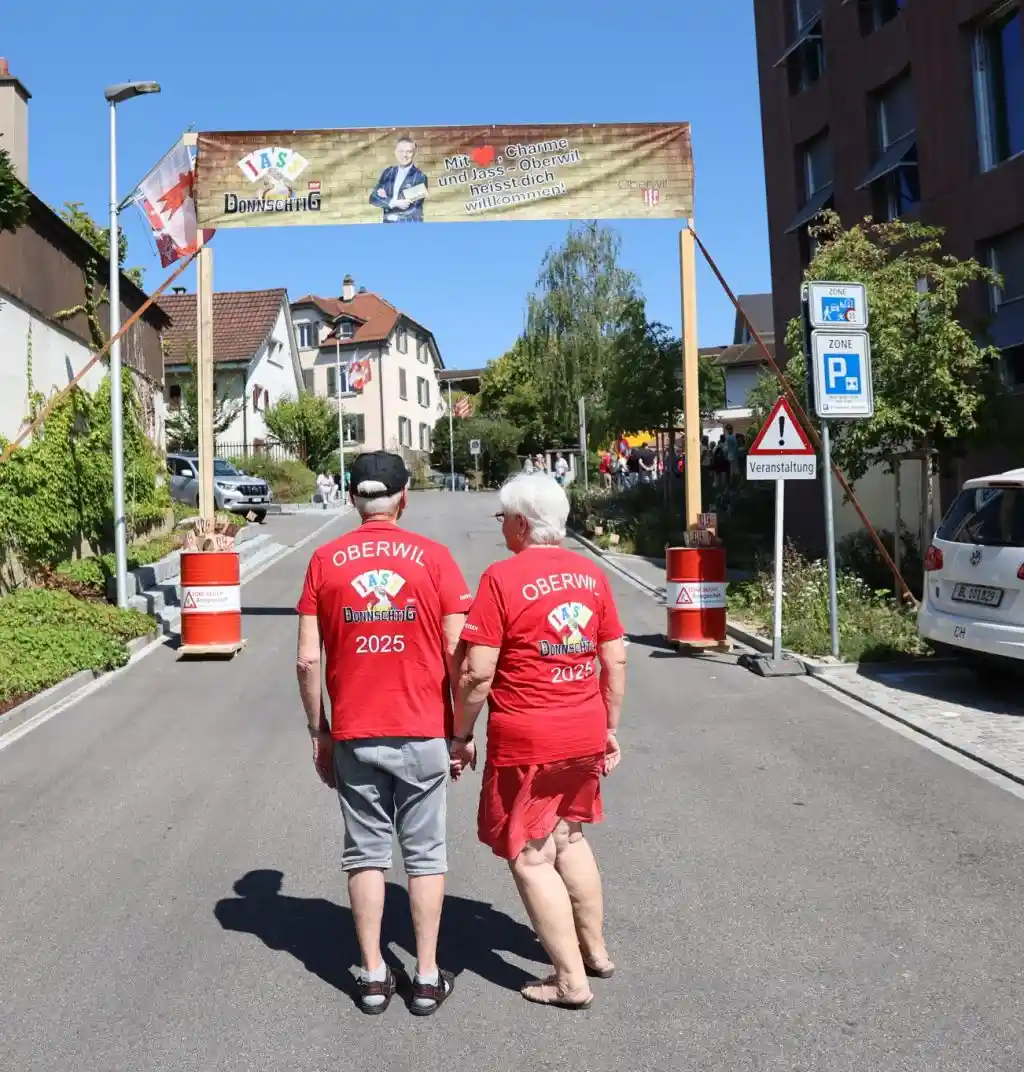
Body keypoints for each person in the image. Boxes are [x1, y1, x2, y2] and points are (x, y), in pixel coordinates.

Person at [295, 450, 471, 1016]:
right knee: (425, 855)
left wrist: (319, 731)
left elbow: (307, 660)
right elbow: (458, 653)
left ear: (352, 498)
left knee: (365, 852)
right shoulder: (435, 559)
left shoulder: (324, 560)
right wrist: (461, 731)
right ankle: (426, 977)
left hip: (354, 730)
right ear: (403, 499)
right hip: (423, 727)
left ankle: (373, 976)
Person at [450, 472, 628, 1011]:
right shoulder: (591, 574)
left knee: (530, 855)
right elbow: (614, 657)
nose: (501, 526)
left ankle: (571, 981)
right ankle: (595, 951)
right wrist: (610, 727)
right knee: (569, 838)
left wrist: (461, 733)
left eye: (503, 517)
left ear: (523, 524)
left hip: (529, 734)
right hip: (583, 726)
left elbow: (477, 673)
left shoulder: (501, 578)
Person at [369, 135, 428, 223]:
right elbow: (373, 198)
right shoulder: (388, 173)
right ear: (395, 152)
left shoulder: (420, 177)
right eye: (401, 151)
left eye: (409, 152)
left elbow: (409, 206)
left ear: (414, 153)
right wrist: (395, 202)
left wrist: (386, 199)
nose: (404, 155)